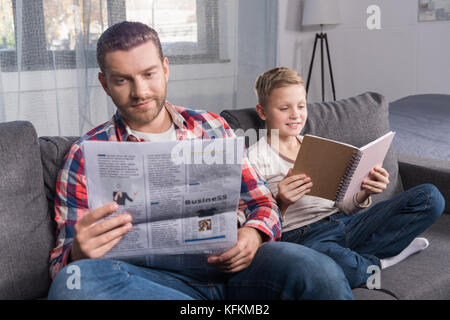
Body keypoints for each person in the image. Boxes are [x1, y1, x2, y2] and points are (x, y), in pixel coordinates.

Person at [47, 22, 353, 300]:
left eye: (149, 74)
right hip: (147, 282)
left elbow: (263, 202)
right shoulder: (84, 154)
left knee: (318, 270)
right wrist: (77, 252)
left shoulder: (211, 126)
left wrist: (253, 233)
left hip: (235, 269)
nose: (140, 92)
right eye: (122, 80)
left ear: (166, 69)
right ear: (105, 83)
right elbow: (61, 265)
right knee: (75, 281)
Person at [248, 66, 446, 289]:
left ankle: (358, 257)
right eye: (284, 108)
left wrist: (365, 192)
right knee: (332, 269)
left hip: (345, 222)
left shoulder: (316, 146)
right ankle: (379, 261)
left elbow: (343, 204)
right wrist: (281, 203)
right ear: (262, 111)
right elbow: (255, 225)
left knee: (430, 197)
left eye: (301, 106)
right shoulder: (255, 159)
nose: (296, 114)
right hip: (304, 237)